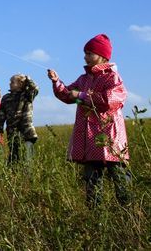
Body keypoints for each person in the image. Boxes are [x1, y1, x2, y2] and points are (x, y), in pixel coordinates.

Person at [47, 34, 131, 207]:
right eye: (85, 53)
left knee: (118, 174)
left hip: (109, 135)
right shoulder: (83, 79)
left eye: (89, 53)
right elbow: (68, 95)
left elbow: (112, 100)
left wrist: (83, 95)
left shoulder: (112, 77)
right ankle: (95, 211)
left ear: (102, 56)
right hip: (89, 136)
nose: (85, 57)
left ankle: (127, 209)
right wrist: (57, 82)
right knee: (92, 176)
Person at [0, 74, 39, 165]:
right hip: (12, 132)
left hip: (27, 132)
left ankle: (28, 177)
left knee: (27, 158)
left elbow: (34, 89)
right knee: (14, 157)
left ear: (20, 84)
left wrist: (28, 80)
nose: (10, 83)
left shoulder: (27, 95)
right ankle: (14, 175)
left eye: (12, 82)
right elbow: (0, 115)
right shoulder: (6, 97)